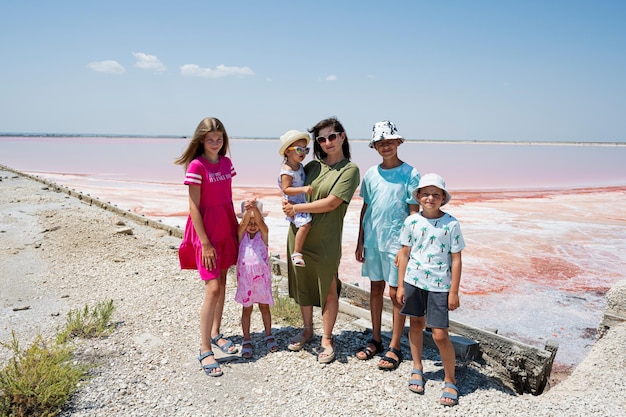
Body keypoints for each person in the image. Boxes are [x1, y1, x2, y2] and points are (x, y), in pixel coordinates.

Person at [282, 117, 360, 364]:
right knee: (304, 283)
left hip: (327, 239)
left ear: (342, 136)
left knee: (328, 288)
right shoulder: (313, 166)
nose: (328, 142)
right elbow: (291, 184)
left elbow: (332, 202)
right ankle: (307, 329)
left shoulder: (350, 170)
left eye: (332, 136)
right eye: (322, 139)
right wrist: (287, 205)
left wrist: (298, 207)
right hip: (299, 236)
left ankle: (326, 338)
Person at [174, 117, 239, 377]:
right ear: (201, 140)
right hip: (206, 233)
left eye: (219, 138)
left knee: (222, 282)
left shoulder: (226, 163)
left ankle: (215, 333)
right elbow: (193, 207)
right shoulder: (197, 166)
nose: (215, 143)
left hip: (226, 227)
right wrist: (205, 243)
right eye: (210, 139)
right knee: (212, 288)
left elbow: (227, 199)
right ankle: (204, 349)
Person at [355, 120, 420, 371]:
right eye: (381, 143)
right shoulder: (371, 174)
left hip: (397, 242)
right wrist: (360, 239)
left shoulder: (411, 174)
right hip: (373, 239)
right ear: (375, 147)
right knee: (375, 289)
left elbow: (414, 214)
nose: (386, 146)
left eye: (390, 141)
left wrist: (407, 247)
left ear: (399, 142)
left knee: (396, 294)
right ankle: (376, 339)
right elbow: (366, 207)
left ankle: (395, 346)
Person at [396, 173, 465, 406]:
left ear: (443, 197)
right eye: (425, 193)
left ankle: (450, 379)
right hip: (414, 282)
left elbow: (456, 259)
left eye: (436, 194)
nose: (430, 198)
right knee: (415, 324)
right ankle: (417, 367)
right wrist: (400, 285)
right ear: (418, 196)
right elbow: (404, 253)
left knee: (440, 334)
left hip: (440, 286)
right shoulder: (411, 221)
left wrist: (453, 291)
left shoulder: (451, 224)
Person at [234, 199, 279, 359]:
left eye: (256, 221)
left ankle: (268, 334)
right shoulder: (241, 235)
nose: (252, 225)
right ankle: (246, 339)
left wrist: (255, 212)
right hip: (246, 281)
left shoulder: (263, 235)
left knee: (264, 308)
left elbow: (259, 221)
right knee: (246, 310)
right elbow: (244, 223)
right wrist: (249, 211)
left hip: (262, 281)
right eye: (249, 222)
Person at [278, 130, 313, 267]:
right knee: (305, 225)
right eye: (299, 149)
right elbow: (286, 189)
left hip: (300, 200)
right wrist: (303, 189)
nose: (302, 153)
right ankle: (297, 252)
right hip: (294, 202)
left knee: (306, 224)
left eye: (305, 149)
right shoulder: (287, 170)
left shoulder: (299, 166)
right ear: (287, 151)